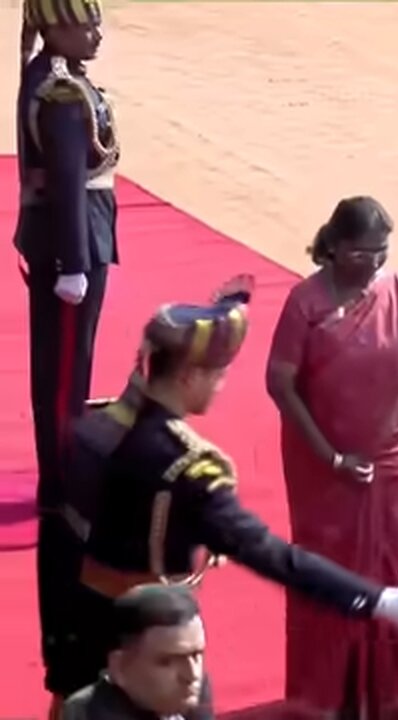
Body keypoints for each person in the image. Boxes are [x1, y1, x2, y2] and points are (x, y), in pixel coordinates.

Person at [45, 276, 398, 719]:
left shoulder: (94, 427)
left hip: (80, 620)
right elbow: (267, 553)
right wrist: (379, 600)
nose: (221, 386)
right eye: (218, 375)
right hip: (153, 641)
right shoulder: (187, 467)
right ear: (189, 376)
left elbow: (58, 536)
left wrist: (58, 638)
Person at [267, 196, 398, 719]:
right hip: (326, 472)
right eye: (362, 253)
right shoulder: (305, 304)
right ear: (333, 249)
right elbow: (280, 383)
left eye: (382, 251)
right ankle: (332, 692)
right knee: (333, 576)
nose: (375, 263)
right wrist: (330, 456)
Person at [16, 0, 120, 709]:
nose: (96, 31)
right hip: (70, 239)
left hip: (73, 231)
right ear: (55, 27)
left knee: (67, 371)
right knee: (62, 380)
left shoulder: (53, 73)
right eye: (85, 22)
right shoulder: (57, 89)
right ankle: (59, 482)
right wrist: (75, 264)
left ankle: (61, 469)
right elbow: (65, 166)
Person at [61, 585, 208, 720]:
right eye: (166, 662)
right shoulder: (93, 713)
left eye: (196, 655)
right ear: (119, 668)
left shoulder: (192, 694)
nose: (192, 675)